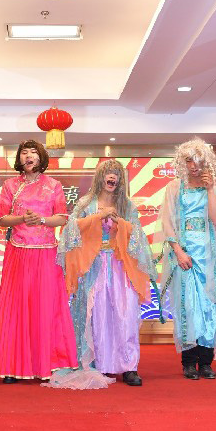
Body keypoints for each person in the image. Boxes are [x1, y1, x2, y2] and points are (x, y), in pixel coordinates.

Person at [50, 160, 156, 388]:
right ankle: (98, 363)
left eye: (116, 173)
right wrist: (98, 217)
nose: (112, 176)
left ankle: (129, 366)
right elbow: (70, 229)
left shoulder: (126, 205)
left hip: (120, 267)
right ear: (100, 177)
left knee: (125, 313)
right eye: (108, 172)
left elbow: (138, 235)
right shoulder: (86, 203)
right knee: (96, 315)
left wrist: (121, 223)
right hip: (94, 266)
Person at [0, 140, 77, 382]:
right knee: (16, 308)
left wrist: (42, 220)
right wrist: (21, 219)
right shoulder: (10, 185)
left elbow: (62, 218)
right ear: (19, 158)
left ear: (41, 158)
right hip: (18, 252)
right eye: (24, 153)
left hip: (47, 253)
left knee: (46, 307)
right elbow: (1, 220)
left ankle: (47, 364)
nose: (28, 156)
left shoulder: (54, 185)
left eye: (33, 152)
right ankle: (12, 366)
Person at [159, 138, 216, 380]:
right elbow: (167, 222)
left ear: (206, 161)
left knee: (209, 306)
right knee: (188, 306)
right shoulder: (174, 187)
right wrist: (178, 251)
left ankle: (206, 361)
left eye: (198, 160)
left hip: (208, 255)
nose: (193, 166)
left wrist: (210, 191)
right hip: (184, 254)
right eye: (188, 160)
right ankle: (189, 362)